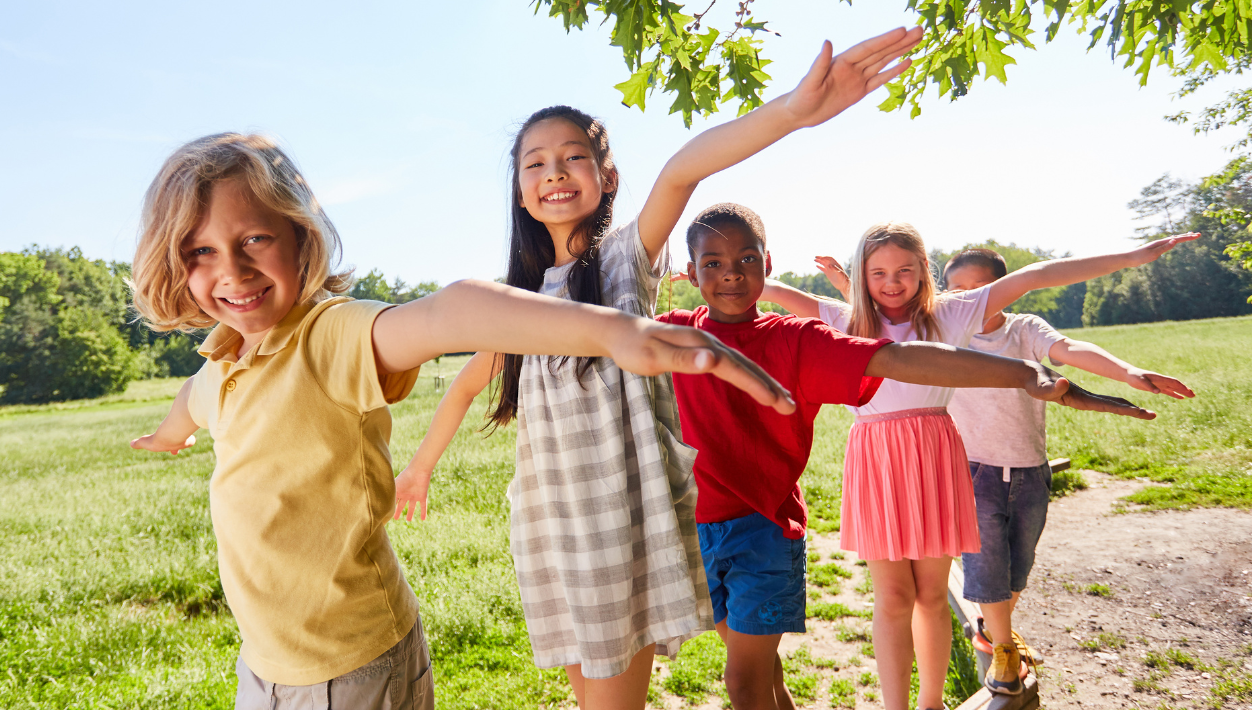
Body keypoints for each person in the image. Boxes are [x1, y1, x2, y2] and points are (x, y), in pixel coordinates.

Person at [126, 133, 797, 710]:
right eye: (200, 252)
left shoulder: (326, 335)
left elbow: (451, 313)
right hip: (264, 668)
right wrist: (172, 432)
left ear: (301, 241)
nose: (232, 269)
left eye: (254, 239)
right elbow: (195, 396)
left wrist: (613, 330)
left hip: (352, 666)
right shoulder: (220, 362)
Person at [391, 27, 927, 710]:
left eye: (573, 156)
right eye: (536, 163)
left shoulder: (620, 265)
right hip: (552, 526)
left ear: (606, 177)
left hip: (619, 524)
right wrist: (421, 464)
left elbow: (682, 169)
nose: (554, 171)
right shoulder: (519, 302)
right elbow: (470, 381)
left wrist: (791, 111)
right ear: (520, 192)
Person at [661, 204, 1154, 710]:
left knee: (930, 597)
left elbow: (1026, 281)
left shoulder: (934, 317)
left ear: (924, 271)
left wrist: (1131, 259)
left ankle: (930, 702)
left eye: (903, 270)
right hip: (873, 457)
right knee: (881, 604)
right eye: (877, 273)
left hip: (923, 457)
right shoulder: (839, 319)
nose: (891, 283)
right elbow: (765, 291)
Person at [943, 248, 1194, 695]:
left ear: (1004, 291)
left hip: (1030, 471)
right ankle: (1003, 651)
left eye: (980, 290)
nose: (969, 300)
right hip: (972, 471)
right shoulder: (945, 335)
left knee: (1019, 567)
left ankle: (990, 624)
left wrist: (1128, 372)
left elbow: (1070, 349)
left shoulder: (1024, 329)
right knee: (986, 564)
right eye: (957, 291)